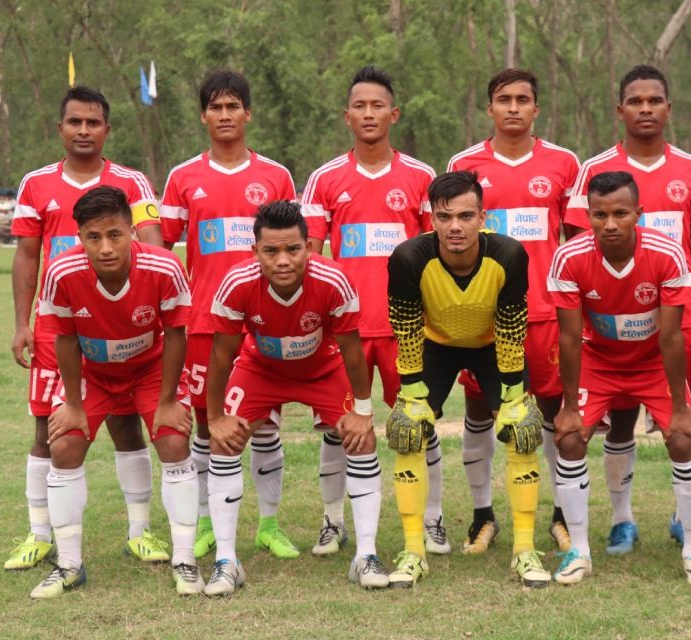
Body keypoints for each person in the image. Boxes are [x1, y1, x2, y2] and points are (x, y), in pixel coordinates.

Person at [8, 86, 168, 571]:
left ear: (107, 130)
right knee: (48, 429)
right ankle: (39, 534)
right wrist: (23, 324)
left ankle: (139, 531)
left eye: (93, 122)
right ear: (60, 129)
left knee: (126, 427)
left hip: (124, 329)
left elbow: (153, 246)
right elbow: (26, 255)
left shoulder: (133, 182)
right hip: (62, 330)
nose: (83, 130)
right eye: (74, 122)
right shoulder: (35, 184)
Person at [566, 64, 691, 554]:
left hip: (677, 313)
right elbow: (578, 245)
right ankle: (622, 519)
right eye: (636, 101)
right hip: (613, 321)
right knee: (621, 420)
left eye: (655, 101)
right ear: (621, 110)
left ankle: (683, 518)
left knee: (683, 418)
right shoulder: (595, 169)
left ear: (669, 108)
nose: (646, 109)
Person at [204, 200, 386, 594]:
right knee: (223, 442)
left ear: (309, 246)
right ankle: (226, 560)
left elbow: (352, 349)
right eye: (271, 251)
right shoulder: (237, 283)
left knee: (362, 439)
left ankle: (366, 556)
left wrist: (363, 410)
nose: (283, 260)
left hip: (323, 368)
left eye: (293, 249)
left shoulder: (332, 280)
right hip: (261, 369)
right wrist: (214, 417)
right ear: (255, 252)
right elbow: (221, 354)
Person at [301, 65, 442, 557]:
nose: (368, 113)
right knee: (341, 429)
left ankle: (433, 519)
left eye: (377, 105)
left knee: (417, 424)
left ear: (393, 113)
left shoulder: (422, 177)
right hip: (347, 333)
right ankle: (332, 522)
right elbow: (310, 258)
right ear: (346, 116)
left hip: (407, 328)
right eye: (359, 106)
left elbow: (437, 255)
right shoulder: (324, 179)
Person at [548, 171, 691, 587]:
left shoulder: (667, 253)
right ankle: (579, 551)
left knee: (681, 438)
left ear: (639, 213)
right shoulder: (569, 257)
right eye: (599, 214)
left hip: (653, 361)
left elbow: (673, 334)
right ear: (587, 215)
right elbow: (569, 338)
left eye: (620, 213)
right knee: (568, 438)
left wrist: (681, 407)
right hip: (599, 361)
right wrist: (569, 408)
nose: (609, 224)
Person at [30, 186, 198, 598]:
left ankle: (185, 560)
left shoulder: (163, 266)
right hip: (93, 371)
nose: (105, 247)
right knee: (65, 448)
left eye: (115, 235)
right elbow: (65, 339)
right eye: (93, 237)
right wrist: (71, 404)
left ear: (131, 231)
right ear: (80, 237)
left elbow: (177, 333)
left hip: (150, 368)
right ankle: (69, 564)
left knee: (174, 442)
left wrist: (167, 401)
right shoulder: (61, 271)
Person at [385, 170, 549, 588]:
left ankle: (525, 550)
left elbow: (513, 325)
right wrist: (412, 393)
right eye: (444, 217)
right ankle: (413, 551)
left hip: (493, 344)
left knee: (523, 428)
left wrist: (513, 397)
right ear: (431, 219)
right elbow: (405, 327)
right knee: (408, 429)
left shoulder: (510, 254)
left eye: (464, 216)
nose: (455, 226)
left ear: (482, 217)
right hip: (435, 345)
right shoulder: (408, 258)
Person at [159, 70, 297, 560]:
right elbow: (160, 246)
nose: (224, 115)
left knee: (265, 423)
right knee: (206, 422)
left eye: (232, 106)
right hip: (205, 322)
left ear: (247, 114)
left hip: (264, 323)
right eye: (215, 108)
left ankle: (269, 524)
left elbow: (289, 250)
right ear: (203, 115)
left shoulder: (276, 176)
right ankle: (204, 521)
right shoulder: (183, 177)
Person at [447, 69, 581, 553]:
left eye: (523, 99)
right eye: (504, 99)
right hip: (480, 313)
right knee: (479, 408)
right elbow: (449, 239)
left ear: (536, 108)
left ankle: (562, 516)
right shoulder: (464, 164)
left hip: (544, 312)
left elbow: (575, 244)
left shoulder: (564, 163)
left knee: (551, 410)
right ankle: (483, 516)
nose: (513, 108)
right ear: (490, 108)